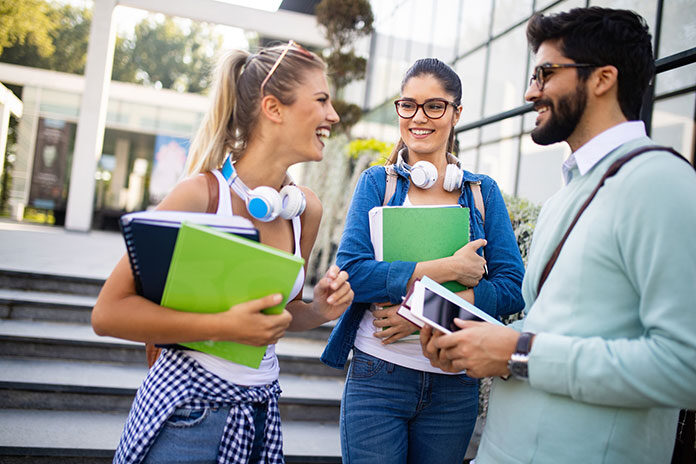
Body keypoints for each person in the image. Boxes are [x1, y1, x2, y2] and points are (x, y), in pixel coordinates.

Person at [420, 7, 696, 464]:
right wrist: (479, 344)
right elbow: (550, 333)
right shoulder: (562, 197)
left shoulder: (661, 183)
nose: (531, 91)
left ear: (602, 79)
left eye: (545, 73)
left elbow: (685, 366)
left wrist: (518, 353)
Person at [91, 40, 354, 464]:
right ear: (273, 108)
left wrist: (319, 310)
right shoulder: (197, 197)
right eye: (322, 100)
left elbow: (279, 316)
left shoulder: (304, 211)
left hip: (259, 416)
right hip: (186, 416)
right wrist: (223, 325)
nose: (333, 115)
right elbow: (107, 314)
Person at [321, 58, 525, 463]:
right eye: (408, 105)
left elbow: (511, 291)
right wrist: (449, 270)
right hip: (379, 376)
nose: (419, 117)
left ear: (456, 113)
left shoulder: (483, 192)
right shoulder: (377, 183)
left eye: (434, 106)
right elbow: (354, 275)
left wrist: (421, 313)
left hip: (454, 386)